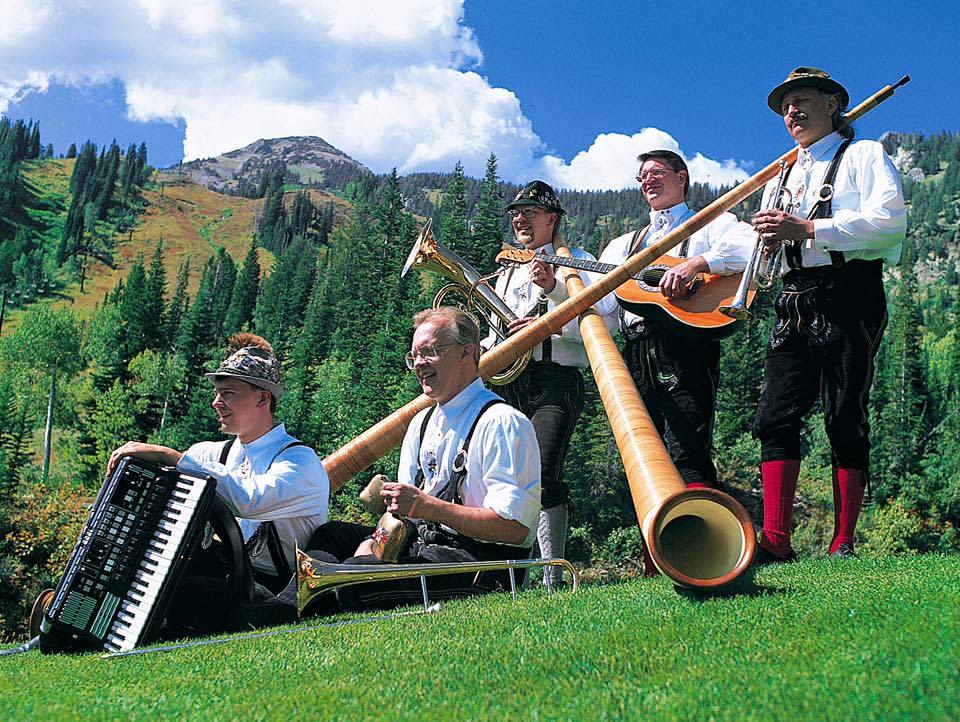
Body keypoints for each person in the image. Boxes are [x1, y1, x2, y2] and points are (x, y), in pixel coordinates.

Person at [751, 67, 906, 561]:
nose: (791, 113)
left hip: (849, 290)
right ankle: (777, 540)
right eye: (785, 107)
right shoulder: (782, 173)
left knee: (844, 413)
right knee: (775, 415)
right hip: (792, 293)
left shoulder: (864, 154)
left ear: (832, 105)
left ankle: (843, 542)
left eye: (801, 102)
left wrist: (812, 230)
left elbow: (889, 223)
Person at [299, 307, 542, 612]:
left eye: (429, 352)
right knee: (330, 536)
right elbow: (406, 517)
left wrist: (428, 508)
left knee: (352, 581)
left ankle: (283, 609)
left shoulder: (503, 422)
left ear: (467, 353)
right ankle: (290, 603)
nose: (418, 365)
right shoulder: (421, 422)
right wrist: (375, 542)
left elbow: (516, 530)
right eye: (413, 356)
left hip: (483, 567)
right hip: (425, 547)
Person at [107, 333, 329, 629]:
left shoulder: (301, 462)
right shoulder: (210, 453)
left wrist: (169, 456)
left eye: (228, 394)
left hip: (275, 593)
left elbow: (249, 500)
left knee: (181, 592)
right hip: (230, 574)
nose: (216, 402)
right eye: (217, 393)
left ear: (263, 398)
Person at [599, 150, 754, 493]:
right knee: (641, 463)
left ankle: (703, 541)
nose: (648, 181)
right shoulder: (623, 245)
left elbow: (751, 245)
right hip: (635, 355)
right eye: (642, 177)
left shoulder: (711, 222)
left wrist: (699, 263)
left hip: (687, 347)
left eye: (656, 172)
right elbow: (602, 309)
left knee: (689, 453)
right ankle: (652, 546)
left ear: (681, 176)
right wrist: (553, 287)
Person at [489, 180, 617, 585]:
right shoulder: (507, 268)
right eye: (515, 212)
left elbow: (607, 326)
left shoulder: (580, 261)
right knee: (506, 476)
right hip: (507, 381)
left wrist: (553, 295)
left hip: (556, 380)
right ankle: (514, 575)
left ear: (551, 218)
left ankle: (550, 575)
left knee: (543, 472)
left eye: (528, 211)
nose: (519, 218)